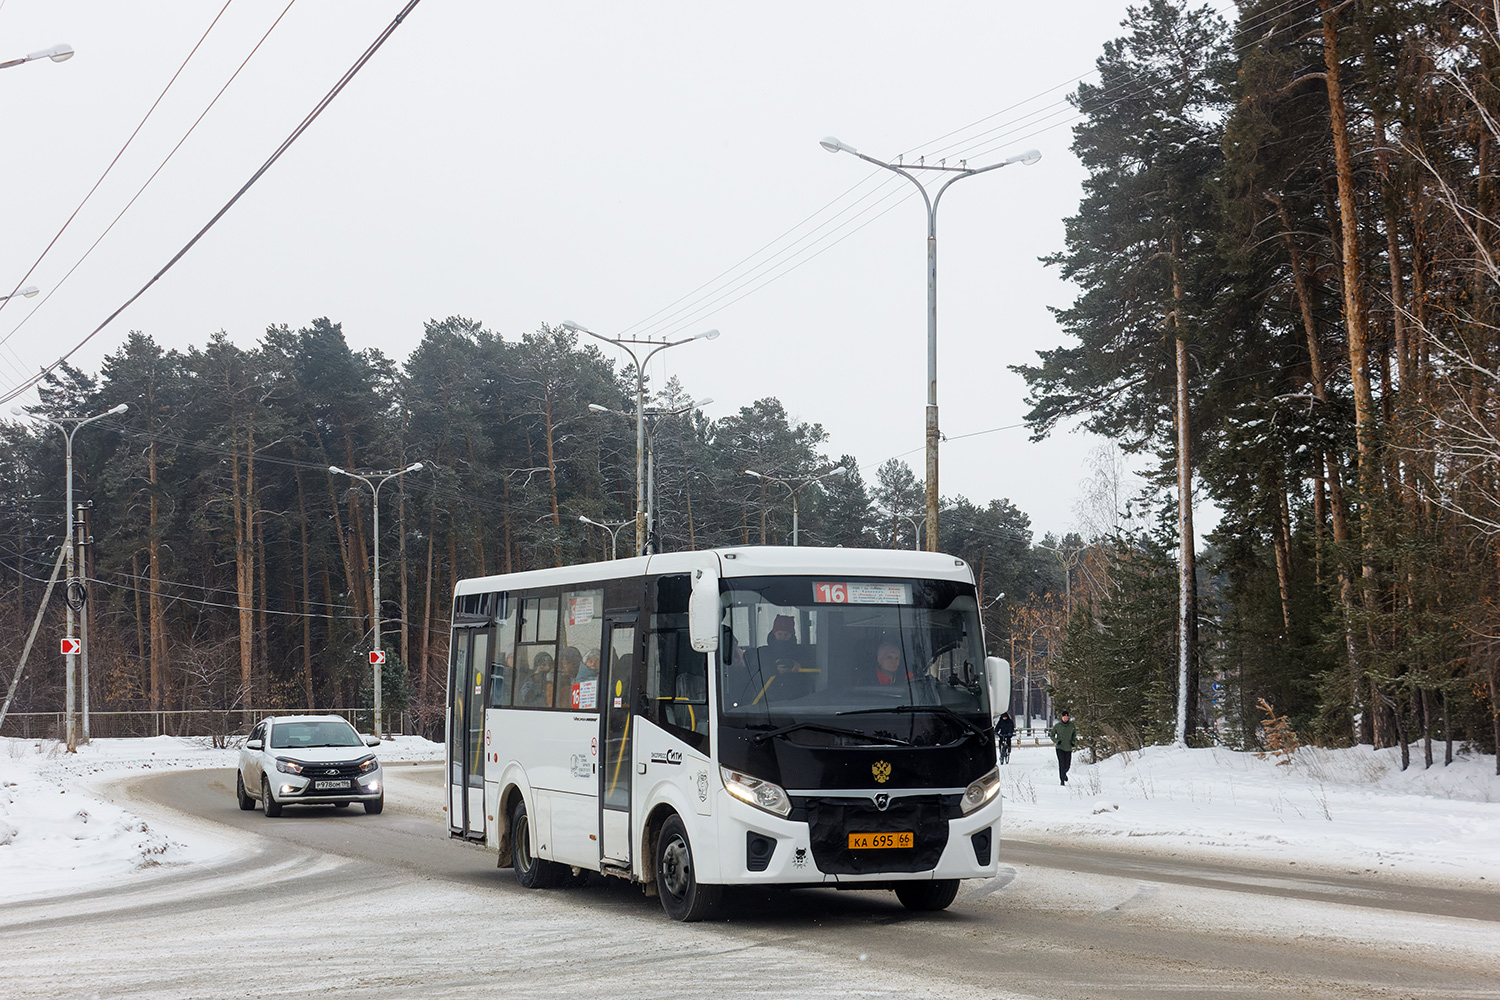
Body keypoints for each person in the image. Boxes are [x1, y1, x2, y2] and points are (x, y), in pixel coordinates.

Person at [753, 614, 816, 702]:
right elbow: (756, 674)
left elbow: (815, 669)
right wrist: (775, 670)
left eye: (786, 634)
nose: (783, 637)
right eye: (780, 634)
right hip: (769, 701)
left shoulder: (801, 652)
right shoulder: (763, 652)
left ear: (792, 635)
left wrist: (800, 665)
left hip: (798, 699)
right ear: (774, 633)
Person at [1050, 710, 1078, 785]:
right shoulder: (1057, 726)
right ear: (1061, 717)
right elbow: (1052, 735)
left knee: (1067, 765)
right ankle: (1062, 780)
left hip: (1068, 747)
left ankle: (1064, 774)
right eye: (1064, 717)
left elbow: (1074, 735)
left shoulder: (1071, 726)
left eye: (1067, 717)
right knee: (1062, 764)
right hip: (1060, 747)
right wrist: (1056, 741)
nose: (1065, 718)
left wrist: (1073, 742)